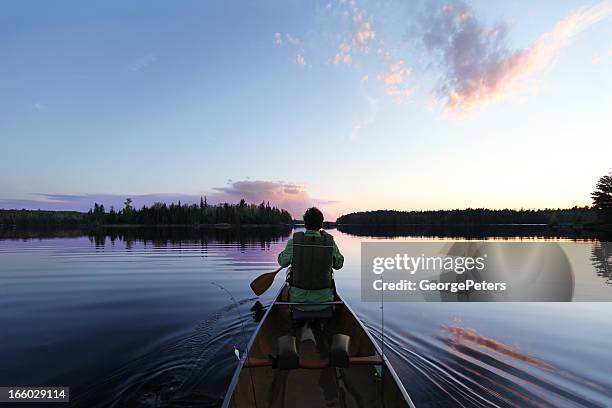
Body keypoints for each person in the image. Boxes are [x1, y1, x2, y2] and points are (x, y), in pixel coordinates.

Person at [278, 207, 344, 305]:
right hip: (325, 302)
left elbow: (282, 262)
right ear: (321, 224)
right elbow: (339, 264)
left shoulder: (294, 242)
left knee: (289, 271)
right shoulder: (329, 242)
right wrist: (328, 239)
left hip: (298, 301)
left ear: (305, 224)